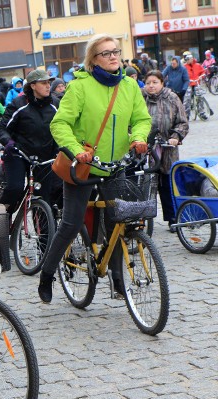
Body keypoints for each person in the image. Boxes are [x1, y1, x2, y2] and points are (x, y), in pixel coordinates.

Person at [40, 34, 152, 304]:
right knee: (71, 223)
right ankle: (46, 274)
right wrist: (75, 149)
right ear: (93, 60)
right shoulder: (80, 87)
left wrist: (138, 138)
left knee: (116, 223)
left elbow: (141, 119)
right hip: (84, 166)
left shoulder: (129, 86)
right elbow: (60, 124)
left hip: (115, 165)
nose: (114, 56)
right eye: (106, 53)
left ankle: (117, 280)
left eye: (116, 51)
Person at [0, 69, 62, 216]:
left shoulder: (55, 104)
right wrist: (9, 143)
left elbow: (63, 128)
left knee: (45, 198)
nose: (48, 86)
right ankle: (0, 220)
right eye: (43, 83)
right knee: (15, 189)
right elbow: (2, 129)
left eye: (49, 83)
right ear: (32, 85)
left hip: (44, 157)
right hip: (18, 154)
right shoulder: (18, 104)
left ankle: (45, 238)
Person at [142, 70, 189, 232]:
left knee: (168, 183)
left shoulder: (172, 98)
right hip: (144, 149)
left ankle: (172, 218)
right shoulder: (140, 98)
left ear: (162, 83)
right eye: (148, 83)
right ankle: (140, 220)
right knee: (144, 184)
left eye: (155, 82)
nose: (151, 86)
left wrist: (176, 136)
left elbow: (182, 122)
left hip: (167, 148)